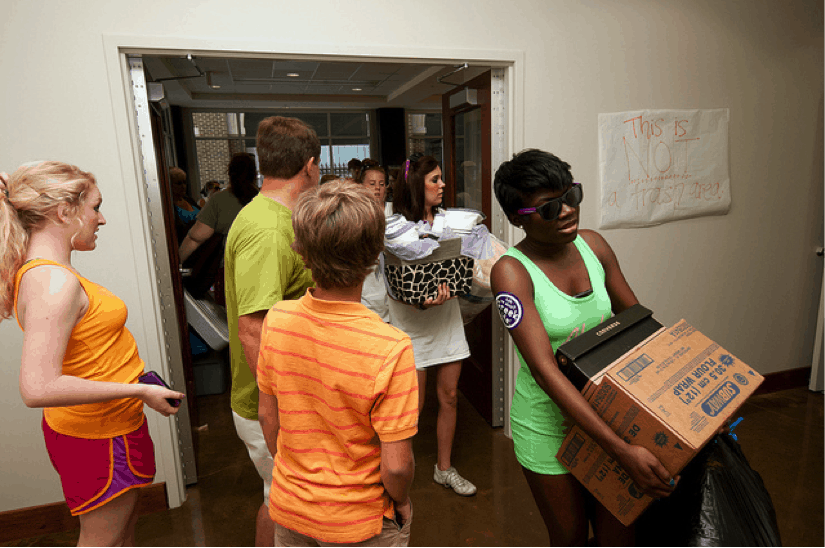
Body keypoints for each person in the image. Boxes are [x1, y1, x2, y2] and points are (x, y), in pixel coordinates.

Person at [489, 149, 677, 546]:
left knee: (619, 535)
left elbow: (640, 326)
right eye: (548, 208)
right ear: (515, 219)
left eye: (571, 196)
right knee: (571, 537)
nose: (567, 211)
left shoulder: (594, 246)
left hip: (611, 414)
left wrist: (682, 398)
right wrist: (620, 450)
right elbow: (544, 371)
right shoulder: (511, 272)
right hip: (549, 426)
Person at [0, 162, 185, 547]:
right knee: (104, 539)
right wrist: (139, 392)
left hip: (110, 426)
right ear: (64, 212)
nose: (101, 219)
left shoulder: (53, 274)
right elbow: (37, 388)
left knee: (122, 533)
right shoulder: (52, 281)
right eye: (95, 207)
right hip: (97, 436)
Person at [258, 180, 417, 546]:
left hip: (291, 509)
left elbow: (269, 417)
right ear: (376, 253)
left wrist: (300, 478)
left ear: (300, 251)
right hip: (358, 521)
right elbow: (396, 466)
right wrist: (402, 500)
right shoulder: (391, 347)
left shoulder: (277, 320)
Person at [223, 116, 320, 547]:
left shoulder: (275, 217)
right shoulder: (266, 230)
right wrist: (277, 411)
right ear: (311, 166)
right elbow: (253, 331)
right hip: (272, 404)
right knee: (290, 510)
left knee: (276, 500)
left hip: (280, 398)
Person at [388, 154, 476, 496]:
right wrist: (417, 300)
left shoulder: (450, 223)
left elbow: (467, 261)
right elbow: (392, 283)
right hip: (410, 327)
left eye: (442, 179)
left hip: (447, 319)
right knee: (414, 406)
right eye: (434, 180)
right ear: (416, 185)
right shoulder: (394, 229)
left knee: (450, 396)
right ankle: (399, 475)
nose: (442, 186)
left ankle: (444, 468)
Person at [179, 153, 259, 264]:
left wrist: (177, 264)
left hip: (233, 268)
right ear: (254, 174)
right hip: (265, 265)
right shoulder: (265, 198)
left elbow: (196, 236)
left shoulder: (219, 200)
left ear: (230, 173)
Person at [357, 161, 391, 322]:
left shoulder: (396, 211)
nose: (377, 188)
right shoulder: (356, 215)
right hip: (367, 292)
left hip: (393, 292)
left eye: (382, 184)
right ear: (361, 187)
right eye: (372, 184)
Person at [170, 167, 200, 243]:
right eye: (179, 183)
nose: (183, 186)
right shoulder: (169, 206)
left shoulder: (189, 200)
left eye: (184, 182)